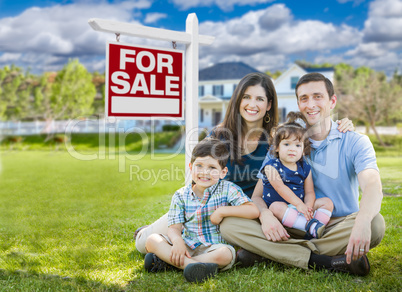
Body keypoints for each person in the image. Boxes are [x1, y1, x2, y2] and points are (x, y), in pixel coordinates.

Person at [134, 72, 353, 254]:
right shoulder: (218, 137)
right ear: (238, 100)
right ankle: (148, 233)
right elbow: (196, 182)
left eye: (259, 99)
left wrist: (343, 123)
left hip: (247, 214)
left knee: (224, 244)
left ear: (268, 105)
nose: (252, 104)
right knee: (143, 244)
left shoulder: (276, 141)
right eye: (246, 97)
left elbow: (307, 135)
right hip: (208, 207)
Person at [220, 73, 385, 276]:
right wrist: (266, 216)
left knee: (375, 223)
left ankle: (269, 252)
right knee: (228, 225)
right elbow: (257, 195)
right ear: (298, 103)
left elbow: (372, 186)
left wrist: (361, 221)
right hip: (288, 223)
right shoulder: (286, 142)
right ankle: (324, 261)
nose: (311, 104)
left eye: (318, 96)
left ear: (332, 101)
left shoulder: (355, 141)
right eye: (304, 98)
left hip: (333, 227)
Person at [144, 138, 260, 283]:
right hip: (187, 244)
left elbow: (253, 210)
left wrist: (222, 211)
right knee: (152, 240)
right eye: (199, 165)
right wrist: (178, 241)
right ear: (191, 167)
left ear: (223, 172)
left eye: (212, 168)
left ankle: (170, 264)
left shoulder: (228, 189)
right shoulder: (181, 195)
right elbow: (174, 228)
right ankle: (193, 266)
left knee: (226, 254)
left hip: (213, 248)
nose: (205, 172)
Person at [261, 111, 333, 239]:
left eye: (297, 145)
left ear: (303, 149)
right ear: (277, 147)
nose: (292, 148)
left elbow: (310, 191)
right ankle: (309, 227)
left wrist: (308, 208)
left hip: (299, 210)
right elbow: (280, 188)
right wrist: (299, 204)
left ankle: (315, 227)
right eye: (287, 144)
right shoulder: (271, 166)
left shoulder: (304, 168)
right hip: (280, 212)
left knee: (326, 202)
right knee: (275, 207)